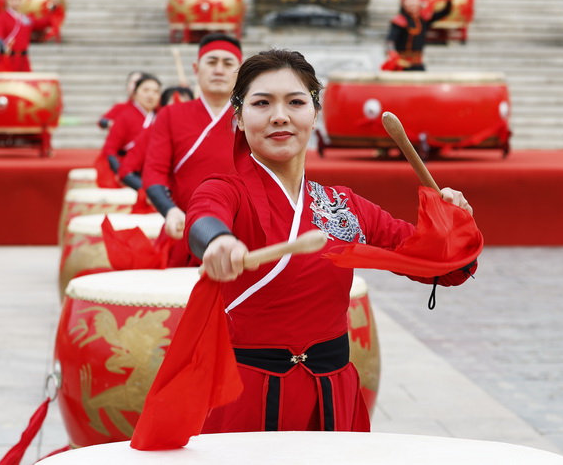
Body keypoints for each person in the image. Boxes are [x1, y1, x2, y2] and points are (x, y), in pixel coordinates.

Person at [184, 49, 478, 433]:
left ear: (314, 113)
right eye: (261, 103)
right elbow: (203, 219)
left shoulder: (345, 205)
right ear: (238, 117)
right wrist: (218, 241)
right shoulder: (226, 189)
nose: (279, 116)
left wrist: (453, 226)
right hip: (245, 395)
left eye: (295, 102)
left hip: (331, 391)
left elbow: (441, 265)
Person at [142, 33, 242, 265]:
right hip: (185, 227)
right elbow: (154, 172)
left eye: (228, 63)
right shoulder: (170, 115)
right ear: (196, 68)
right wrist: (169, 210)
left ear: (240, 71)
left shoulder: (253, 117)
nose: (219, 70)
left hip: (241, 233)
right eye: (211, 62)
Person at [100, 75, 163, 176]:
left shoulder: (162, 116)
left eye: (156, 92)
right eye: (146, 90)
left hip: (155, 167)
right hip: (129, 168)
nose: (151, 95)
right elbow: (110, 149)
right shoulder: (124, 116)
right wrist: (119, 171)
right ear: (135, 93)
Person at [384, 0, 453, 71]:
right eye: (410, 2)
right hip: (402, 64)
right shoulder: (399, 21)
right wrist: (391, 53)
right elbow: (390, 41)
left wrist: (448, 0)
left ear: (420, 3)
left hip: (418, 64)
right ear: (404, 4)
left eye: (414, 1)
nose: (412, 4)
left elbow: (445, 12)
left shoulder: (423, 20)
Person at [0, 0, 35, 72]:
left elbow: (39, 23)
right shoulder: (1, 17)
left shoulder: (26, 18)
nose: (16, 2)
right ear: (7, 0)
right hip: (8, 58)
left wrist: (52, 9)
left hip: (23, 60)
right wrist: (2, 45)